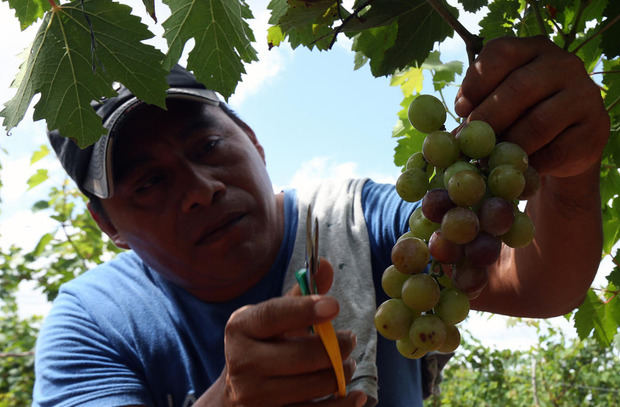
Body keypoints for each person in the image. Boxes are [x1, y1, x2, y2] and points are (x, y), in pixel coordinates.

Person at [33, 35, 609, 407]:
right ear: (105, 222)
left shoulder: (358, 218)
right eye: (149, 182)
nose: (199, 190)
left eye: (208, 144)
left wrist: (572, 168)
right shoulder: (91, 324)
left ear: (254, 142)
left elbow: (533, 280)